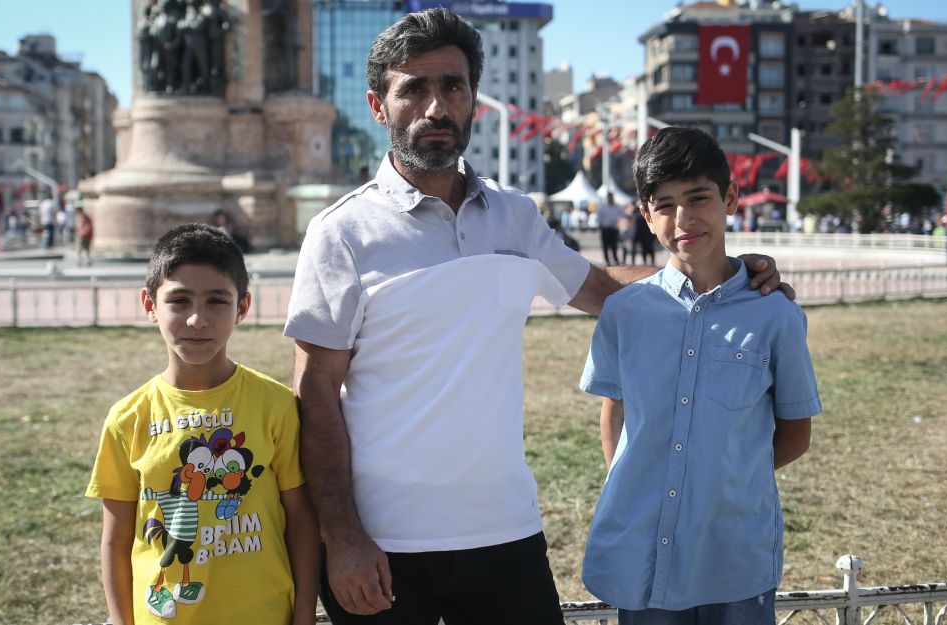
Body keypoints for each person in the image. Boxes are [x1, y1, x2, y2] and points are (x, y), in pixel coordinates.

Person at [283, 9, 789, 625]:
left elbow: (605, 289)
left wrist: (727, 274)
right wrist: (344, 538)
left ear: (474, 101)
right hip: (385, 545)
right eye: (412, 88)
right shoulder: (342, 233)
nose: (435, 107)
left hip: (505, 533)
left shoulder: (513, 217)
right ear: (378, 105)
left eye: (453, 87)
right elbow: (313, 393)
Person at [579, 127, 821, 625]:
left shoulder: (776, 315)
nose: (683, 218)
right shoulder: (625, 313)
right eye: (664, 205)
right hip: (639, 549)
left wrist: (721, 475)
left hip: (732, 547)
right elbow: (616, 411)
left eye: (698, 198)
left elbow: (795, 433)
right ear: (645, 216)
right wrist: (640, 484)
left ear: (730, 198)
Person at [85, 224, 319, 625]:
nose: (197, 319)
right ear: (149, 305)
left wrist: (303, 615)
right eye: (179, 300)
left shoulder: (276, 405)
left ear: (242, 307)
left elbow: (300, 521)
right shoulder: (128, 418)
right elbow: (117, 537)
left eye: (216, 301)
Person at [597, 192, 623, 265]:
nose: (610, 199)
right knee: (605, 245)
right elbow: (599, 217)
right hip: (605, 229)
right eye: (609, 198)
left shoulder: (617, 206)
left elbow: (622, 215)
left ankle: (615, 259)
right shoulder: (602, 207)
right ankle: (607, 260)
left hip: (614, 229)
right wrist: (601, 225)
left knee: (614, 245)